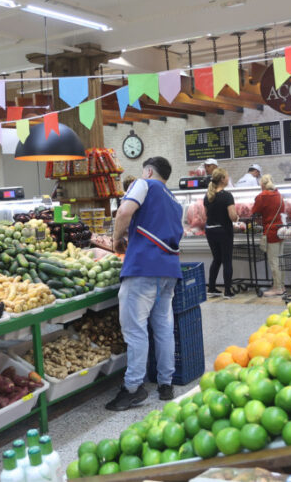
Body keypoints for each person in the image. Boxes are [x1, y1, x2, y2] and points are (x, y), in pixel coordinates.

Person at [108, 156, 183, 410]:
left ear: (149, 171)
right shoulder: (175, 201)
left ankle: (132, 388)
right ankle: (165, 384)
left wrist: (116, 240)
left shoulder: (144, 184)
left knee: (135, 329)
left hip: (143, 268)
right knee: (163, 326)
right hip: (169, 271)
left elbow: (124, 212)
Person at [203, 168, 238, 299]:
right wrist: (237, 218)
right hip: (224, 230)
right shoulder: (227, 196)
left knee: (216, 259)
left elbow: (206, 214)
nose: (228, 178)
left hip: (210, 230)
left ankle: (211, 288)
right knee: (227, 260)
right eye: (227, 176)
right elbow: (233, 216)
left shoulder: (207, 196)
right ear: (223, 179)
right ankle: (227, 291)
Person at [250, 174, 285, 297]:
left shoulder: (262, 196)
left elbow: (254, 212)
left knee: (273, 260)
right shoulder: (279, 195)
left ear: (262, 185)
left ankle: (278, 288)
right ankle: (281, 285)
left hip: (270, 232)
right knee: (281, 259)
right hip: (281, 230)